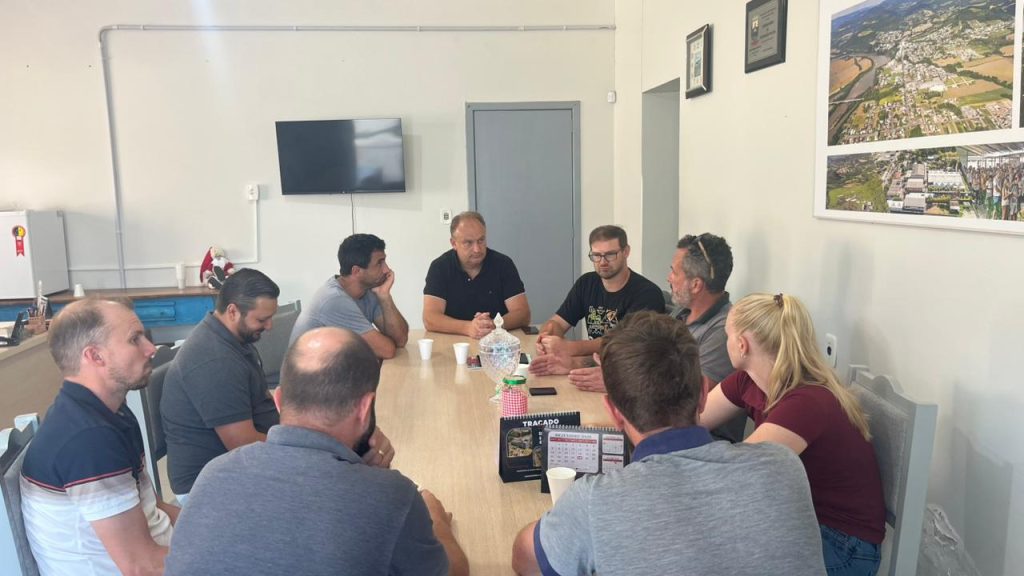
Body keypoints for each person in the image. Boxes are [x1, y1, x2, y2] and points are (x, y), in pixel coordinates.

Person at [511, 311, 825, 576]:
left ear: (614, 412)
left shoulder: (594, 501)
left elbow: (524, 559)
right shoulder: (784, 466)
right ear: (703, 394)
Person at [165, 327, 469, 576]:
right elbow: (454, 571)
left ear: (279, 401)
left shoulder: (213, 474)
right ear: (365, 408)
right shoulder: (392, 497)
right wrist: (435, 518)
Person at [161, 268, 398, 502]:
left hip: (245, 462)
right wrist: (325, 447)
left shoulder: (233, 341)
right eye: (262, 319)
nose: (270, 326)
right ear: (232, 311)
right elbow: (242, 444)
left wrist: (347, 435)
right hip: (211, 486)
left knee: (351, 460)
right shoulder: (214, 361)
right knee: (342, 487)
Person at [700, 293, 886, 576]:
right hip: (799, 521)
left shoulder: (806, 402)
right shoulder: (748, 381)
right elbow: (693, 423)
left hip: (844, 545)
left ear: (742, 344)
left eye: (727, 335)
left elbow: (738, 474)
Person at [20, 299, 178, 575]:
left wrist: (217, 530)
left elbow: (156, 506)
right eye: (135, 339)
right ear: (95, 356)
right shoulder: (88, 438)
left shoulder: (111, 413)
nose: (151, 348)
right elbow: (141, 566)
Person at [565, 233, 748, 443]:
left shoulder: (723, 331)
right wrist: (574, 363)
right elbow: (641, 362)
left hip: (695, 444)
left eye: (674, 271)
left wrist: (618, 382)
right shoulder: (681, 313)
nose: (669, 278)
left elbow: (682, 399)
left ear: (696, 285)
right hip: (653, 427)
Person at [530, 225, 664, 376]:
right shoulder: (586, 283)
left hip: (628, 373)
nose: (602, 262)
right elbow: (558, 322)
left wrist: (571, 348)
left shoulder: (647, 293)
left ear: (626, 252)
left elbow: (624, 344)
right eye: (596, 255)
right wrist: (546, 336)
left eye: (610, 255)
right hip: (594, 366)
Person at [289, 234, 409, 359]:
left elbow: (400, 340)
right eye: (379, 263)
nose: (387, 269)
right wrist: (384, 339)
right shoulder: (334, 300)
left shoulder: (368, 291)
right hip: (315, 371)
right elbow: (387, 350)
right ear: (356, 271)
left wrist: (385, 296)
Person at [423, 211, 531, 338]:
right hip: (454, 342)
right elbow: (430, 318)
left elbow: (523, 313)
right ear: (453, 243)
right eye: (468, 243)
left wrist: (493, 325)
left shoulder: (503, 264)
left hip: (497, 342)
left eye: (481, 240)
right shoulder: (439, 267)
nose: (477, 249)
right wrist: (468, 327)